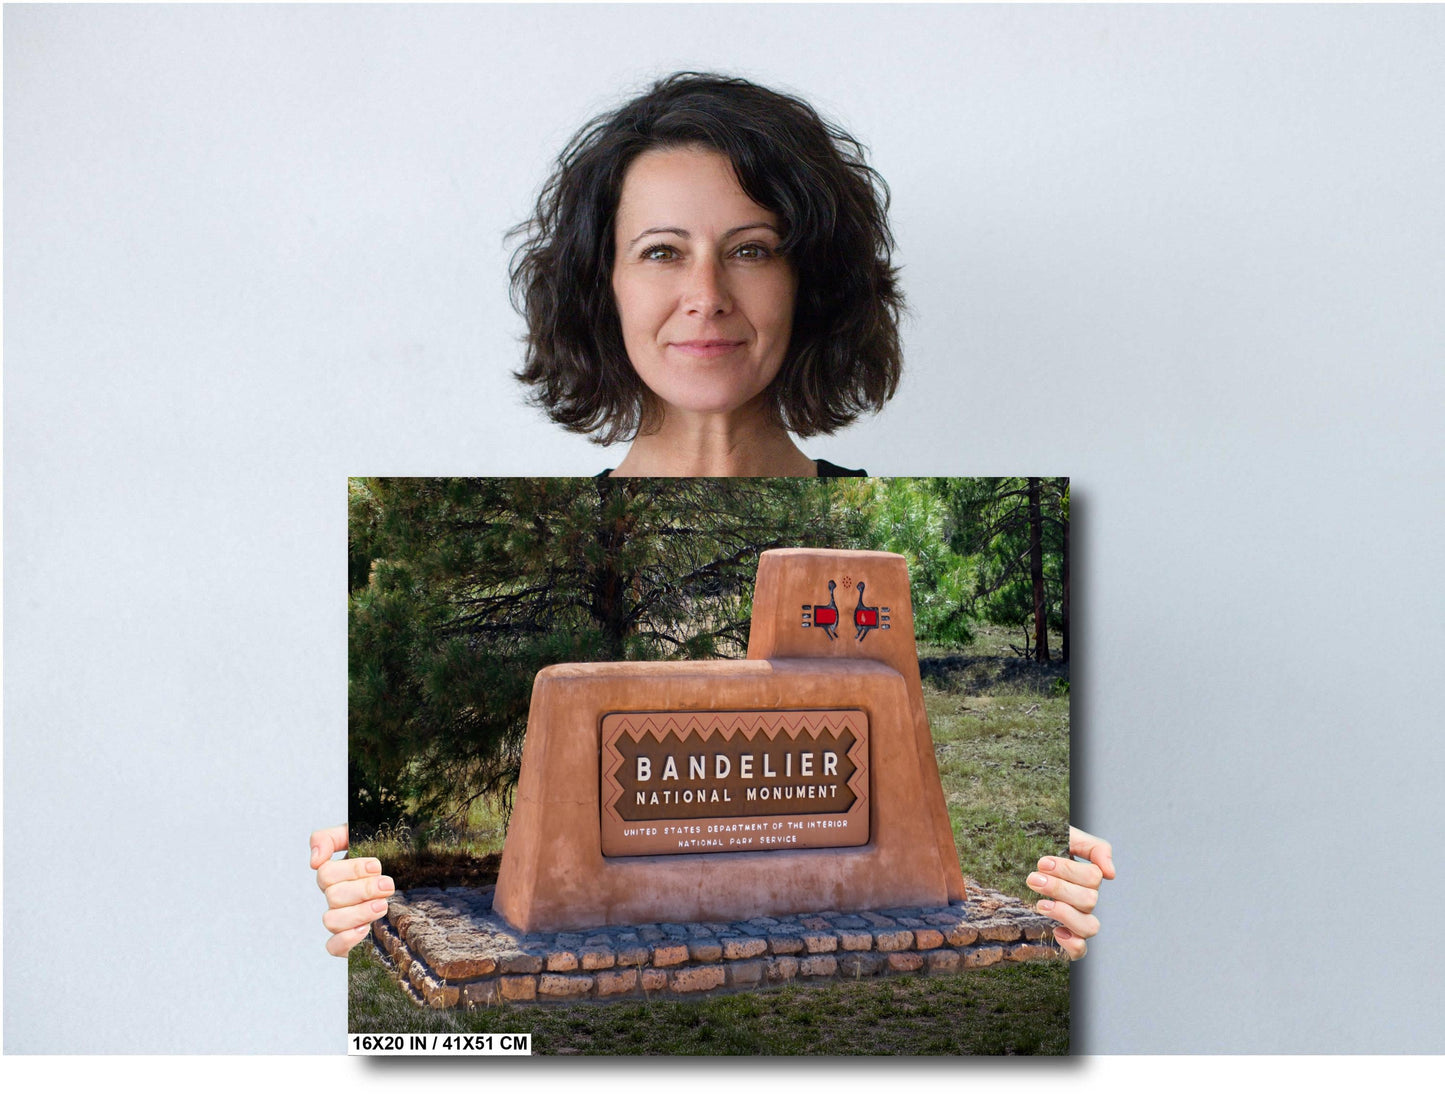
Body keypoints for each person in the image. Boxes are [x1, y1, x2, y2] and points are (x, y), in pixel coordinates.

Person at [313, 72, 1115, 960]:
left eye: (752, 249)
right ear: (602, 283)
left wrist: (1086, 910)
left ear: (809, 282)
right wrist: (334, 904)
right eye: (661, 251)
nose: (707, 294)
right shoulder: (472, 536)